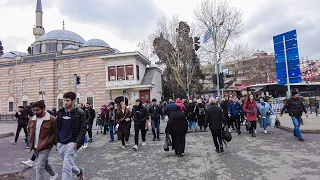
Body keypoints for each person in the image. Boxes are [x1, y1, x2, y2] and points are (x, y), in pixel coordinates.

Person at [56, 91, 86, 180]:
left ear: (73, 101)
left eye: (67, 100)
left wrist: (77, 142)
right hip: (61, 142)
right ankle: (79, 172)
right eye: (64, 100)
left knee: (66, 167)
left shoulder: (80, 113)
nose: (65, 102)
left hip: (72, 142)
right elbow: (57, 126)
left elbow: (83, 129)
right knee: (67, 163)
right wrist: (56, 140)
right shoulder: (60, 112)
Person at [28, 101, 58, 180]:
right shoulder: (31, 119)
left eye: (37, 110)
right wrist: (30, 140)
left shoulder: (52, 119)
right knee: (44, 163)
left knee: (39, 167)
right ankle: (53, 174)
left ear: (43, 109)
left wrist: (49, 141)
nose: (35, 112)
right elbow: (29, 131)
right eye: (34, 110)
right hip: (35, 146)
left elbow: (55, 132)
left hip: (45, 146)